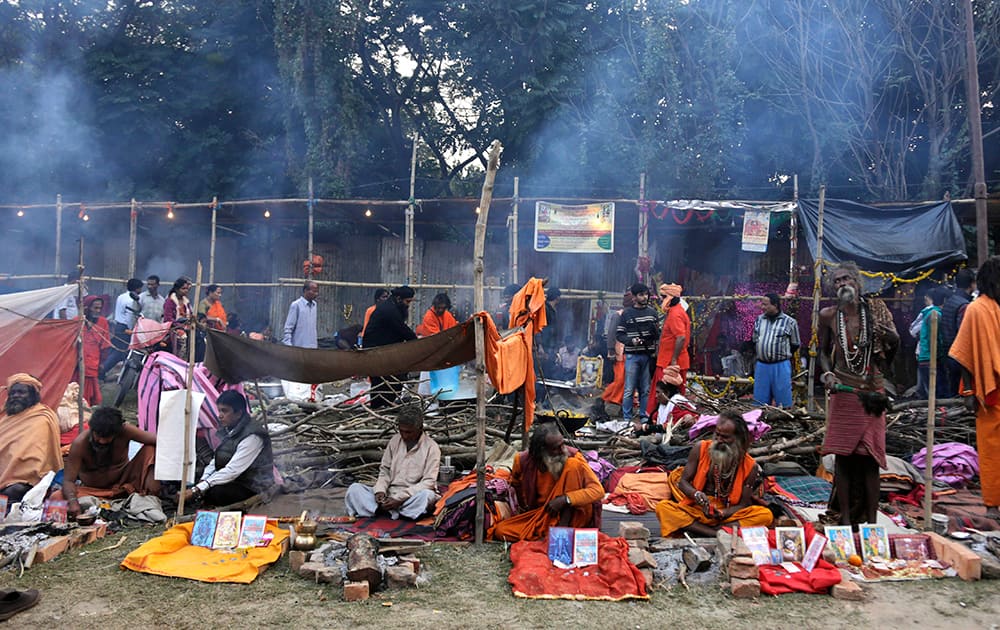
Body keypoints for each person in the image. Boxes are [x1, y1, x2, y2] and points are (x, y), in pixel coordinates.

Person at [819, 261, 899, 525]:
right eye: (837, 281)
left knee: (870, 459)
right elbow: (822, 351)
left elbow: (894, 347)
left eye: (846, 279)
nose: (842, 284)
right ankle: (844, 519)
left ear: (857, 282)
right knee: (843, 458)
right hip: (843, 391)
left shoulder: (875, 311)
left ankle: (872, 522)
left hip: (871, 393)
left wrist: (892, 338)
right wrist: (827, 372)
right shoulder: (829, 315)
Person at [654, 410, 772, 537]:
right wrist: (696, 494)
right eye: (717, 435)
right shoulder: (701, 448)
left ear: (738, 439)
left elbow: (743, 504)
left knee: (765, 516)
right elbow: (683, 482)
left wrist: (722, 513)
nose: (719, 440)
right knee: (663, 507)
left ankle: (699, 530)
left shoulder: (750, 466)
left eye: (725, 437)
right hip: (697, 510)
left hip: (726, 514)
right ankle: (717, 533)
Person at [490, 422, 604, 541]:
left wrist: (565, 499)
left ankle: (559, 534)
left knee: (572, 464)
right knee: (501, 530)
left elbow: (598, 491)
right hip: (543, 514)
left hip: (573, 516)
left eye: (562, 444)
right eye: (555, 448)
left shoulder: (574, 457)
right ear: (542, 450)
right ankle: (549, 537)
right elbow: (516, 485)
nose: (562, 450)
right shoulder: (522, 461)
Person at [949, 257, 1000, 521]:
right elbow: (963, 353)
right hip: (991, 392)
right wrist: (968, 392)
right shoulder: (977, 309)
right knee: (992, 449)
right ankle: (992, 504)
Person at [181, 391, 277, 507]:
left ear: (238, 413)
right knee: (199, 477)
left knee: (216, 492)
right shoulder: (229, 429)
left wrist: (198, 489)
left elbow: (233, 470)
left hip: (253, 485)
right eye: (219, 410)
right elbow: (215, 459)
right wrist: (203, 480)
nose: (220, 415)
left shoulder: (253, 435)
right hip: (235, 480)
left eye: (225, 411)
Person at [59, 406, 159, 518]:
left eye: (106, 438)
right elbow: (68, 481)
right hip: (95, 491)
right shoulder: (80, 444)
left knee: (150, 448)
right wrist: (73, 503)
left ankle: (152, 494)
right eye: (98, 436)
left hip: (125, 483)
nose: (101, 441)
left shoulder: (125, 431)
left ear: (117, 433)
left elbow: (159, 440)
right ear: (92, 429)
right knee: (57, 497)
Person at [344, 406, 441, 520]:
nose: (404, 436)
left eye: (409, 432)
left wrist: (400, 498)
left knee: (426, 496)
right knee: (355, 489)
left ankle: (386, 511)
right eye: (401, 431)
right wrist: (380, 491)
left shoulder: (431, 447)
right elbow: (385, 471)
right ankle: (386, 509)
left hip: (411, 496)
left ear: (420, 428)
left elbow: (429, 482)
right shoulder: (394, 441)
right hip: (390, 494)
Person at [0, 374, 62, 503]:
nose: (16, 395)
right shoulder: (6, 419)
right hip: (3, 476)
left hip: (26, 480)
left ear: (32, 395)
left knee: (13, 491)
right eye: (13, 392)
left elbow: (34, 460)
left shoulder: (42, 418)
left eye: (21, 392)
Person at [363, 285, 418, 408]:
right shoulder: (389, 310)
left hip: (385, 348)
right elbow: (402, 329)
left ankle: (386, 404)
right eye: (407, 301)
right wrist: (417, 342)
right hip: (376, 349)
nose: (408, 305)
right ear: (399, 298)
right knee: (382, 380)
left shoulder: (392, 306)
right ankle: (380, 406)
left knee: (393, 377)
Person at [616, 283, 659, 427]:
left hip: (647, 354)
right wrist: (631, 341)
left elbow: (657, 335)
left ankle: (644, 417)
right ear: (634, 297)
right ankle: (627, 418)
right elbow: (620, 334)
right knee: (629, 388)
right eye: (641, 294)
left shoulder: (653, 313)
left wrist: (653, 334)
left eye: (646, 294)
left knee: (645, 388)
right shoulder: (626, 314)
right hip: (632, 355)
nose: (644, 297)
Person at [648, 283, 690, 416]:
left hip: (670, 363)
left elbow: (681, 338)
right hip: (670, 361)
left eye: (663, 296)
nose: (661, 299)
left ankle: (659, 420)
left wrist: (673, 360)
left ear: (670, 297)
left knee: (664, 393)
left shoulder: (675, 314)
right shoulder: (677, 311)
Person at [752, 293, 801, 407]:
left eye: (765, 304)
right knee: (760, 401)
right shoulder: (759, 320)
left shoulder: (790, 322)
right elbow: (755, 339)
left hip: (781, 366)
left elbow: (795, 344)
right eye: (762, 304)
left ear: (775, 305)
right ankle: (761, 423)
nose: (762, 307)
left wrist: (781, 354)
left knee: (783, 400)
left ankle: (783, 421)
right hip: (762, 366)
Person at [941, 268, 976, 396]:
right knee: (961, 391)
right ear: (972, 284)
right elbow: (964, 335)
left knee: (953, 389)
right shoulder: (964, 306)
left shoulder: (950, 301)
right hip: (959, 356)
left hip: (949, 352)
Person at [100, 278, 143, 379]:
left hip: (117, 325)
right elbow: (129, 317)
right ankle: (103, 370)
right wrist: (131, 329)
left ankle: (120, 373)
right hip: (125, 328)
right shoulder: (131, 300)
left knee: (115, 350)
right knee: (119, 352)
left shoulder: (121, 296)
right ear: (137, 289)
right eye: (140, 288)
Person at [915, 287, 949, 399]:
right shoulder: (935, 315)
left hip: (927, 357)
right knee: (936, 394)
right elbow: (934, 340)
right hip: (930, 358)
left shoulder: (930, 313)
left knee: (933, 393)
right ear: (944, 300)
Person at [79, 295, 112, 405]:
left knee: (89, 398)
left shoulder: (103, 322)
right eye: (95, 308)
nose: (98, 311)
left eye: (100, 308)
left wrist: (102, 363)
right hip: (77, 364)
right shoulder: (77, 321)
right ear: (87, 308)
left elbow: (105, 345)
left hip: (93, 363)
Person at [282, 281, 319, 348]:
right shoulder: (296, 305)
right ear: (305, 290)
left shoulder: (314, 305)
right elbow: (288, 328)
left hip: (312, 347)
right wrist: (289, 346)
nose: (316, 294)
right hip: (298, 347)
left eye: (317, 291)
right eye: (314, 291)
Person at [163, 276, 193, 356]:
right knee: (182, 336)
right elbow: (168, 319)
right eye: (183, 289)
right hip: (173, 329)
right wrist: (180, 326)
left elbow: (190, 315)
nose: (186, 291)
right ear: (177, 289)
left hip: (186, 328)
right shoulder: (170, 302)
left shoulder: (186, 302)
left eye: (187, 289)